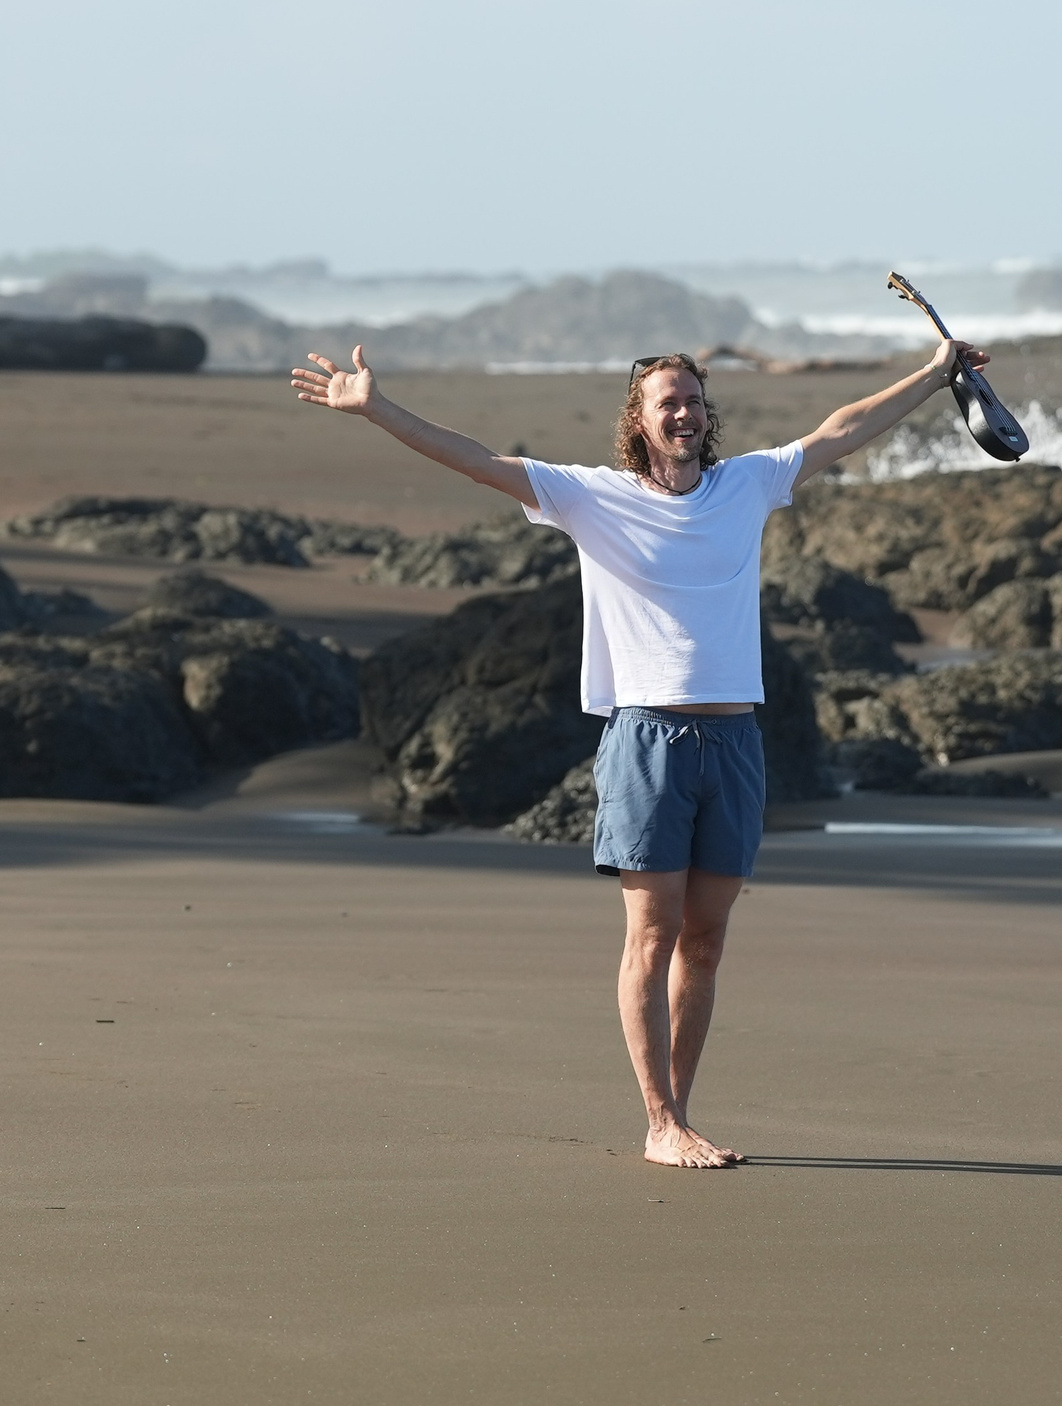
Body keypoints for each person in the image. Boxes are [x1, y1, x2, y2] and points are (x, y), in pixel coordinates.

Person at [291, 337, 991, 1167]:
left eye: (695, 399)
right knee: (650, 938)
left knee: (706, 942)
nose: (686, 412)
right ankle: (658, 1121)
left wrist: (935, 372)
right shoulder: (593, 498)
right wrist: (375, 409)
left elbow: (842, 429)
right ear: (640, 420)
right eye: (670, 401)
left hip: (736, 741)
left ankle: (682, 1117)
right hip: (647, 740)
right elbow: (479, 461)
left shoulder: (747, 485)